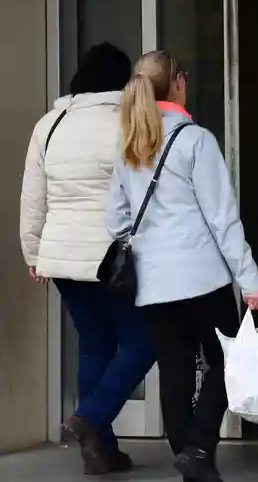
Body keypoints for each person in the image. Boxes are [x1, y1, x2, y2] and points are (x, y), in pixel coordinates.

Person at [105, 50, 258, 482]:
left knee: (174, 371)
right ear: (176, 83)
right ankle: (198, 448)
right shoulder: (196, 141)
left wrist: (151, 241)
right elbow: (222, 219)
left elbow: (115, 221)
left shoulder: (129, 145)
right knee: (231, 360)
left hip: (153, 284)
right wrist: (251, 280)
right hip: (202, 278)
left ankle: (190, 459)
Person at [19, 43, 156, 475]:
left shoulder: (51, 123)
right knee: (142, 341)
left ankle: (100, 451)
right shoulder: (127, 120)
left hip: (61, 256)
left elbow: (33, 196)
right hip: (111, 256)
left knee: (94, 344)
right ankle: (91, 418)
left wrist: (33, 252)